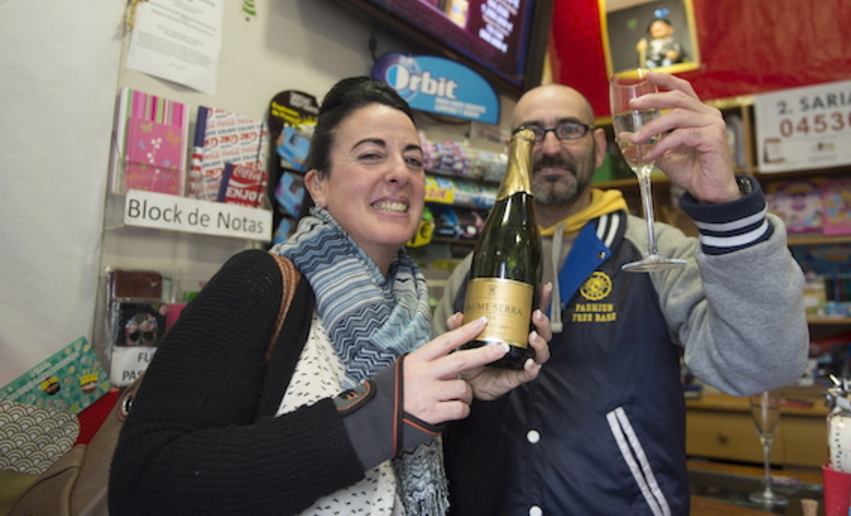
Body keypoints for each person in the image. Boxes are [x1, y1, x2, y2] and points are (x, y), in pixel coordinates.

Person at [109, 77, 551, 516]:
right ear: (318, 185)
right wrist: (381, 410)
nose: (400, 172)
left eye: (413, 160)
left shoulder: (412, 316)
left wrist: (470, 400)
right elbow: (146, 480)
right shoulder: (260, 283)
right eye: (371, 155)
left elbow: (441, 494)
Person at [434, 74, 808, 516]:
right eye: (532, 133)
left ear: (599, 146)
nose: (550, 147)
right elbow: (437, 411)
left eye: (569, 129)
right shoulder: (473, 274)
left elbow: (763, 367)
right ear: (513, 149)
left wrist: (724, 203)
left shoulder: (656, 250)